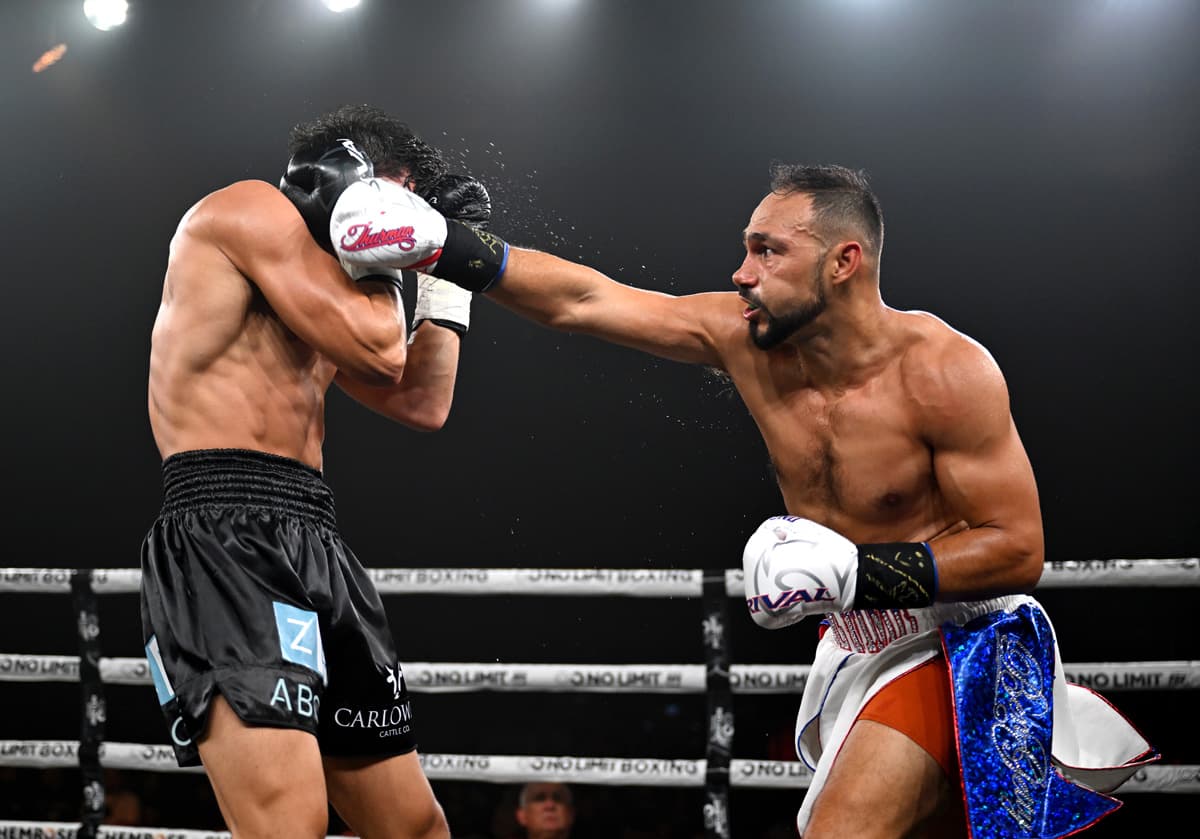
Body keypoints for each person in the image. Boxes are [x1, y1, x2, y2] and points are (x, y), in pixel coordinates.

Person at [319, 163, 1158, 838]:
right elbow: (588, 300)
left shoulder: (944, 371)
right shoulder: (745, 341)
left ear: (844, 261)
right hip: (857, 649)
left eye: (767, 252)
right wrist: (445, 247)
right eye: (744, 250)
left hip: (962, 644)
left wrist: (857, 571)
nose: (741, 272)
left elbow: (1018, 549)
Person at [139, 103, 489, 839]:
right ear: (351, 179)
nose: (404, 234)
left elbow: (424, 399)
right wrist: (399, 247)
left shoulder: (330, 289)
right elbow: (383, 351)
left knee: (416, 828)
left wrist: (448, 273)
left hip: (315, 540)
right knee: (288, 826)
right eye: (397, 208)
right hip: (223, 535)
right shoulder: (247, 211)